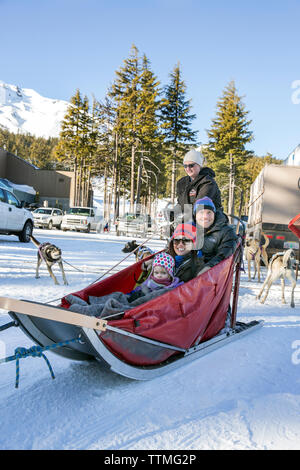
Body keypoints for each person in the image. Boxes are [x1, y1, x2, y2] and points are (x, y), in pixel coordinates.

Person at [193, 197, 238, 275]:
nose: (205, 216)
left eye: (209, 212)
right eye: (201, 212)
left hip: (213, 276)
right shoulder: (187, 229)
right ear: (195, 215)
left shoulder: (226, 232)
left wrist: (209, 267)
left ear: (214, 214)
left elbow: (224, 253)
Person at [176, 149, 223, 219]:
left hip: (208, 221)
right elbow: (181, 204)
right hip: (189, 221)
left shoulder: (208, 183)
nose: (188, 169)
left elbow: (200, 206)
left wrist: (183, 220)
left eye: (191, 165)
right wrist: (172, 213)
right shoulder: (182, 182)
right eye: (185, 166)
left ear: (199, 165)